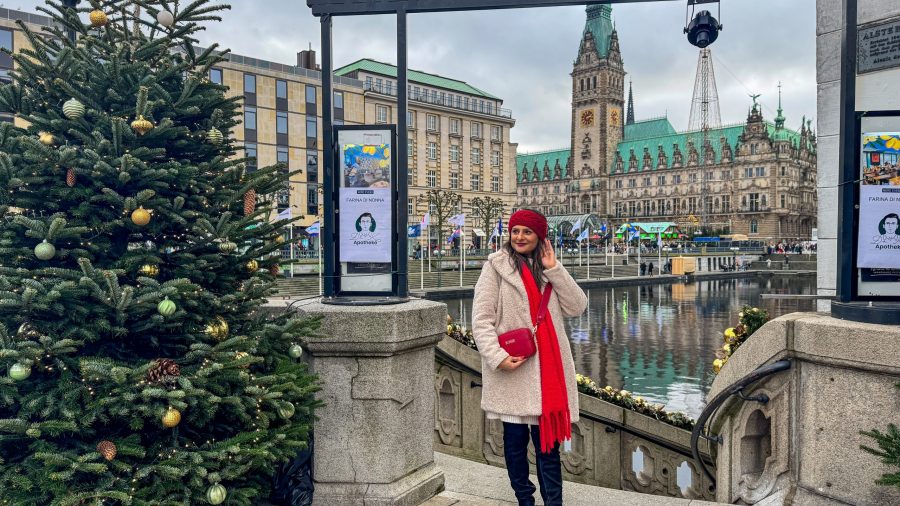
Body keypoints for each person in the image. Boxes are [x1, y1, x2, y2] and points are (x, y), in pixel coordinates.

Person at [472, 209, 586, 506]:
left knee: (549, 451)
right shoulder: (495, 267)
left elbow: (577, 307)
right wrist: (497, 357)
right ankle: (525, 500)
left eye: (527, 232)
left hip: (548, 373)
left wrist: (554, 269)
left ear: (540, 236)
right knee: (514, 446)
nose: (519, 237)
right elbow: (481, 320)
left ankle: (553, 503)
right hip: (514, 370)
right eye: (515, 231)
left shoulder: (548, 268)